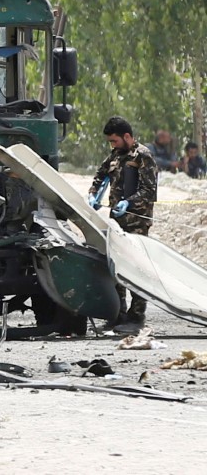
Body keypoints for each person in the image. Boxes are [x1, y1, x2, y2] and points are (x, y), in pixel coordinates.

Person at [88, 117, 157, 335]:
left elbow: (149, 191)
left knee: (137, 269)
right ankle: (118, 315)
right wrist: (93, 195)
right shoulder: (115, 156)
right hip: (117, 222)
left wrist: (129, 202)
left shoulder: (143, 156)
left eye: (115, 140)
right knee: (117, 268)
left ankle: (136, 317)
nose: (113, 145)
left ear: (127, 136)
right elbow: (100, 176)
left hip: (137, 222)